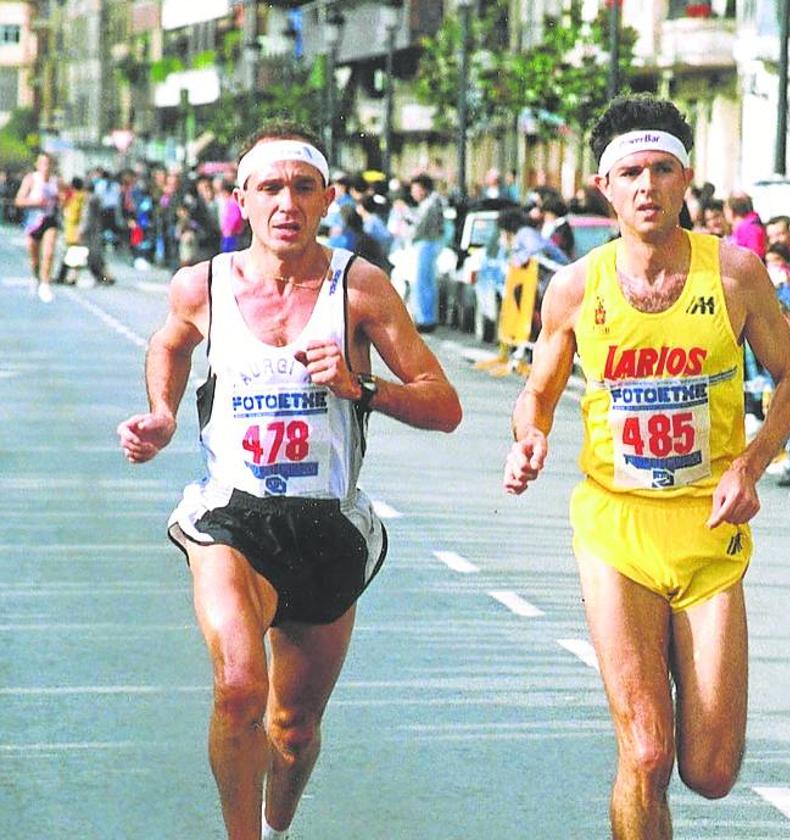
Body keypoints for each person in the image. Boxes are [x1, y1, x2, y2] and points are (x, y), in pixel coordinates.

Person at [116, 120, 463, 839]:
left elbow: (443, 403)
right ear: (240, 196)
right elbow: (169, 342)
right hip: (231, 518)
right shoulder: (201, 284)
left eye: (303, 187)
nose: (286, 202)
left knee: (293, 727)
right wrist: (161, 412)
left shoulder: (359, 288)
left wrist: (360, 387)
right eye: (269, 187)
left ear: (327, 198)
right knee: (240, 685)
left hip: (326, 526)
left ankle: (277, 830)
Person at [502, 94, 790, 838]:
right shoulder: (575, 287)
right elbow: (535, 394)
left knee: (710, 771)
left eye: (662, 170)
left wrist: (752, 465)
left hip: (709, 530)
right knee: (644, 751)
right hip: (616, 529)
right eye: (631, 172)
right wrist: (528, 438)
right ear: (603, 187)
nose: (647, 186)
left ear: (685, 180)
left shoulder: (734, 274)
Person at [15, 151, 62, 303]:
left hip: (50, 220)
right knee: (34, 258)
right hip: (33, 222)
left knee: (48, 253)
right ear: (37, 165)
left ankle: (45, 283)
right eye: (42, 163)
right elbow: (19, 201)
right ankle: (37, 277)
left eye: (48, 164)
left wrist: (60, 200)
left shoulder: (57, 181)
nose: (46, 167)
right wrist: (34, 203)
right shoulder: (31, 179)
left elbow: (64, 199)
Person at [406, 173, 446, 332]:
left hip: (426, 244)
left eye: (415, 189)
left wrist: (407, 218)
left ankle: (425, 319)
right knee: (426, 283)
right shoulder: (433, 202)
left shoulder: (430, 204)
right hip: (429, 244)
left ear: (423, 189)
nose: (413, 193)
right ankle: (426, 317)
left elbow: (418, 227)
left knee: (422, 283)